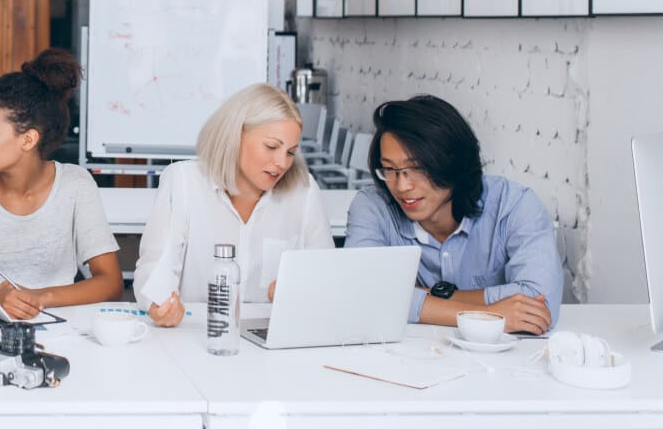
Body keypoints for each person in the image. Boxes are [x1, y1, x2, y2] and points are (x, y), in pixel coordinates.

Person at [0, 49, 122, 319]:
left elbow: (111, 282)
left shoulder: (75, 185)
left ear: (28, 140)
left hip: (55, 327)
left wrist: (38, 298)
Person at [346, 95, 562, 334]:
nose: (402, 185)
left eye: (417, 168)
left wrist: (413, 297)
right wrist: (491, 314)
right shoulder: (373, 206)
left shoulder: (514, 206)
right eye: (389, 169)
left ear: (452, 163)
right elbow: (360, 292)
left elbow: (539, 305)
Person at [134, 83, 334, 327]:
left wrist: (299, 294)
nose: (282, 163)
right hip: (197, 337)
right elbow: (153, 269)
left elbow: (327, 278)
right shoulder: (183, 181)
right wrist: (159, 304)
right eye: (271, 147)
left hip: (274, 340)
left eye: (291, 152)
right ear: (235, 136)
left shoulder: (304, 190)